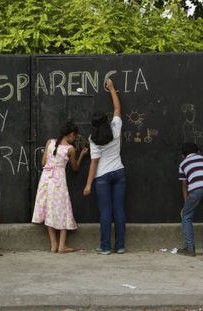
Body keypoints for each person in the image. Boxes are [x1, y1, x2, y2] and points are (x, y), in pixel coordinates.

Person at [83, 79, 126, 255]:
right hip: (119, 172)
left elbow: (94, 163)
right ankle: (121, 246)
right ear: (106, 120)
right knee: (119, 210)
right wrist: (111, 89)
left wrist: (88, 184)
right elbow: (117, 109)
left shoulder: (93, 139)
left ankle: (105, 246)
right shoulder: (115, 128)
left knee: (106, 212)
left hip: (102, 176)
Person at [32, 120, 88, 253]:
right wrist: (82, 155)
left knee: (49, 210)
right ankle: (62, 246)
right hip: (59, 181)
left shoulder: (50, 142)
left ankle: (53, 245)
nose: (75, 139)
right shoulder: (70, 149)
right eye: (75, 136)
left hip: (46, 179)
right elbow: (75, 168)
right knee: (63, 210)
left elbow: (43, 162)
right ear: (71, 135)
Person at [177, 142, 203, 257]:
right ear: (198, 151)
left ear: (183, 155)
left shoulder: (183, 164)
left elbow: (184, 185)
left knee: (186, 216)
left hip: (195, 189)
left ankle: (190, 249)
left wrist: (186, 204)